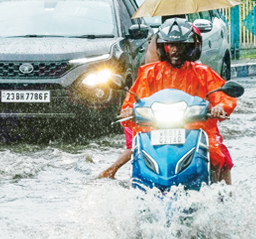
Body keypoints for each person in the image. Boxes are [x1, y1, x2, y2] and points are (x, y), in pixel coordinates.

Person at [98, 18, 237, 184]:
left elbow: (223, 96)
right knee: (138, 152)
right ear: (163, 47)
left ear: (189, 47)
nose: (175, 49)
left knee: (217, 153)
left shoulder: (202, 73)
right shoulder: (149, 73)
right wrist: (129, 110)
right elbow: (132, 101)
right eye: (170, 45)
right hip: (155, 127)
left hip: (196, 128)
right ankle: (137, 185)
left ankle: (224, 194)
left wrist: (219, 107)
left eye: (180, 45)